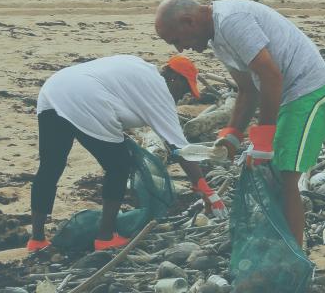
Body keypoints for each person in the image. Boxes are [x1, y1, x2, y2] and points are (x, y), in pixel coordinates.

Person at [154, 0, 325, 249]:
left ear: (189, 21)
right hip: (289, 97)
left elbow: (271, 77)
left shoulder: (231, 21)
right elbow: (248, 90)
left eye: (176, 40)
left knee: (286, 175)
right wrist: (232, 135)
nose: (180, 49)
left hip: (310, 92)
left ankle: (293, 256)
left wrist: (262, 141)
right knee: (272, 174)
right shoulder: (218, 38)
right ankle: (281, 244)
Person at [27, 55, 224, 253]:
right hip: (87, 98)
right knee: (119, 166)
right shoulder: (160, 90)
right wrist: (205, 190)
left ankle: (36, 240)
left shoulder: (139, 66)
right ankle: (105, 237)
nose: (184, 97)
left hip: (54, 89)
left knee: (50, 166)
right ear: (175, 78)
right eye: (186, 89)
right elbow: (180, 148)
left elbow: (116, 93)